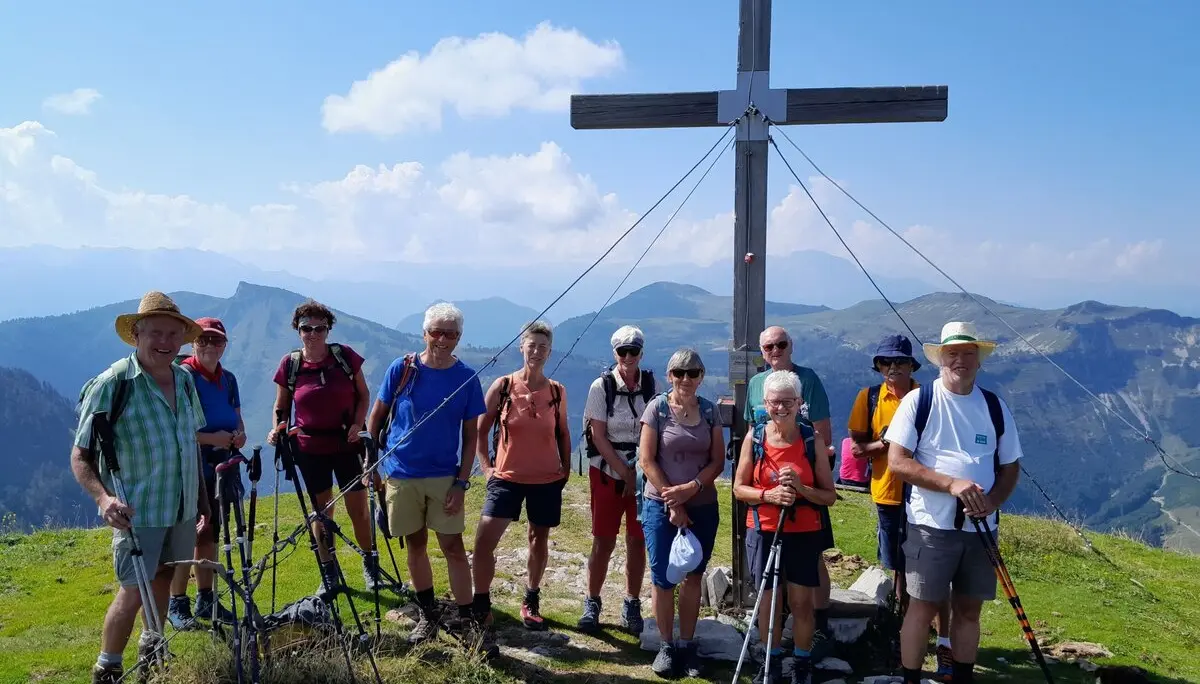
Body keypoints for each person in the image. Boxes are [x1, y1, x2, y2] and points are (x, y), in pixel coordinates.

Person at [70, 291, 211, 684]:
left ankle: (152, 650)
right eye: (156, 333)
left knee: (165, 578)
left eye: (172, 334)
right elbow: (80, 454)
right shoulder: (113, 383)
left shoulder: (184, 380)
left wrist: (202, 501)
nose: (165, 342)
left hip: (180, 509)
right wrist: (104, 498)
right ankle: (108, 666)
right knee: (133, 590)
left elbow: (189, 446)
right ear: (137, 334)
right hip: (139, 513)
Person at [885, 322, 1023, 684]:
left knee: (969, 609)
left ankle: (962, 677)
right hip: (931, 525)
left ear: (979, 360)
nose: (960, 360)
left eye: (967, 353)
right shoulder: (920, 401)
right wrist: (951, 484)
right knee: (922, 606)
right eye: (952, 353)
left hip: (981, 528)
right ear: (940, 359)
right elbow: (897, 462)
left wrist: (992, 502)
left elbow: (1011, 466)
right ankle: (911, 678)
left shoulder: (994, 406)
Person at [366, 302, 486, 644]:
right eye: (437, 332)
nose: (443, 339)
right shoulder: (401, 369)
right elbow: (377, 418)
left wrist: (462, 483)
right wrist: (370, 463)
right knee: (415, 545)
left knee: (453, 547)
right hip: (400, 472)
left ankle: (467, 622)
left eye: (451, 333)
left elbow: (470, 435)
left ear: (459, 337)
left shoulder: (466, 378)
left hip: (444, 477)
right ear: (425, 333)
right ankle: (428, 616)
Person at [847, 334, 953, 680]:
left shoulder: (930, 398)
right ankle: (903, 637)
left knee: (928, 573)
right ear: (878, 366)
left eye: (899, 362)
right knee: (897, 569)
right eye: (885, 363)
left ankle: (938, 643)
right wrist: (887, 443)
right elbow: (857, 449)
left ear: (911, 366)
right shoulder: (870, 397)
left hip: (927, 499)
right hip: (888, 495)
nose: (892, 369)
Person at [734, 370, 836, 684]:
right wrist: (769, 494)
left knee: (802, 602)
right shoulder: (756, 438)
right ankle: (772, 660)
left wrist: (801, 490)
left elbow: (829, 495)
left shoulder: (811, 439)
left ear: (799, 402)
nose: (781, 408)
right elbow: (739, 488)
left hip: (804, 531)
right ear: (765, 404)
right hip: (764, 529)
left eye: (788, 401)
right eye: (775, 402)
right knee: (768, 599)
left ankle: (801, 664)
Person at [266, 300, 374, 593]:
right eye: (306, 328)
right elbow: (282, 407)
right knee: (321, 511)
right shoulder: (290, 365)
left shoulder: (345, 357)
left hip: (346, 443)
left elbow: (363, 396)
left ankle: (369, 562)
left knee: (358, 508)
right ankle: (329, 571)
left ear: (328, 330)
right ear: (297, 330)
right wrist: (278, 428)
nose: (313, 334)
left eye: (319, 328)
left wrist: (357, 424)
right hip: (309, 447)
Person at [473, 320, 571, 632]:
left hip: (545, 479)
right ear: (521, 346)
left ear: (550, 351)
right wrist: (487, 468)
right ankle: (481, 602)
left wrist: (565, 469)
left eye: (543, 346)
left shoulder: (557, 391)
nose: (537, 351)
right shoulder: (503, 386)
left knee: (538, 538)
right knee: (484, 540)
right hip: (506, 477)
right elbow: (480, 429)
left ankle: (531, 598)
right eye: (532, 345)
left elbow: (563, 433)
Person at [638, 348, 724, 679]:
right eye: (679, 373)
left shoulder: (709, 411)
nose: (685, 379)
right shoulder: (657, 409)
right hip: (660, 505)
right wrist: (674, 502)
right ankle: (666, 645)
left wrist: (691, 488)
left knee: (693, 577)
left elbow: (717, 460)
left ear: (701, 376)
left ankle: (687, 644)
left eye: (693, 373)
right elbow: (647, 460)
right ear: (669, 375)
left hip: (702, 504)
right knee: (662, 578)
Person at [167, 317, 247, 630]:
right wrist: (215, 439)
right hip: (191, 467)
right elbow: (177, 429)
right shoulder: (183, 376)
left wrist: (238, 434)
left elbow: (237, 418)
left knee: (209, 531)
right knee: (186, 533)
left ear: (224, 345)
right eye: (204, 340)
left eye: (216, 341)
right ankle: (177, 603)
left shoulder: (228, 379)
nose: (210, 346)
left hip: (221, 467)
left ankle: (205, 598)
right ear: (192, 343)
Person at [577, 324, 653, 634]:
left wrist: (640, 470)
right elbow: (597, 434)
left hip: (642, 475)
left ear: (641, 353)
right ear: (615, 353)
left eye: (634, 351)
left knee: (638, 541)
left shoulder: (651, 384)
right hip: (608, 473)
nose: (628, 356)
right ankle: (592, 602)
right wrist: (625, 471)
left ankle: (631, 603)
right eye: (623, 351)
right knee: (603, 540)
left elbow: (654, 427)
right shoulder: (601, 387)